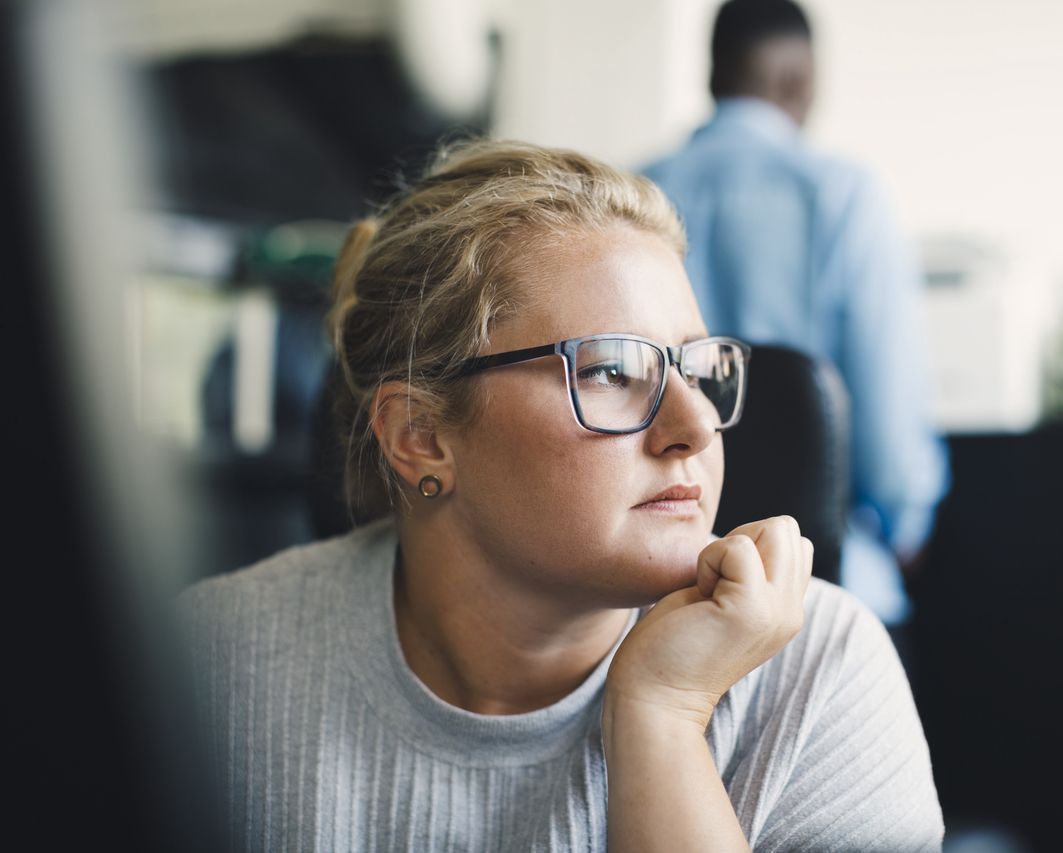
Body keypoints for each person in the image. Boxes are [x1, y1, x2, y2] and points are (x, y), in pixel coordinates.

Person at [177, 139, 944, 851]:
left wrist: (662, 714)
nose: (696, 425)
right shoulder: (206, 668)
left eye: (697, 369)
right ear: (420, 436)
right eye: (611, 370)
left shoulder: (820, 672)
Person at [644, 0, 949, 630]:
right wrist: (906, 522)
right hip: (820, 582)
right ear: (798, 81)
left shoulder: (631, 194)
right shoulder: (843, 192)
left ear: (714, 75)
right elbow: (885, 400)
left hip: (669, 580)